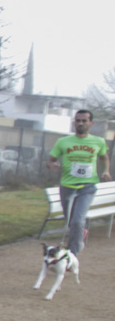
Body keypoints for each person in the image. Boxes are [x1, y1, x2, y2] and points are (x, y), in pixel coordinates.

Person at [47, 109, 112, 255]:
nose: (81, 123)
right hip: (67, 186)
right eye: (78, 120)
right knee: (71, 222)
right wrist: (52, 165)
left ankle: (71, 256)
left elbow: (104, 157)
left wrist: (106, 170)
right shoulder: (63, 142)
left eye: (84, 120)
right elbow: (50, 160)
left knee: (77, 220)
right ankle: (81, 232)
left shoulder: (98, 141)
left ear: (91, 123)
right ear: (74, 123)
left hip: (87, 187)